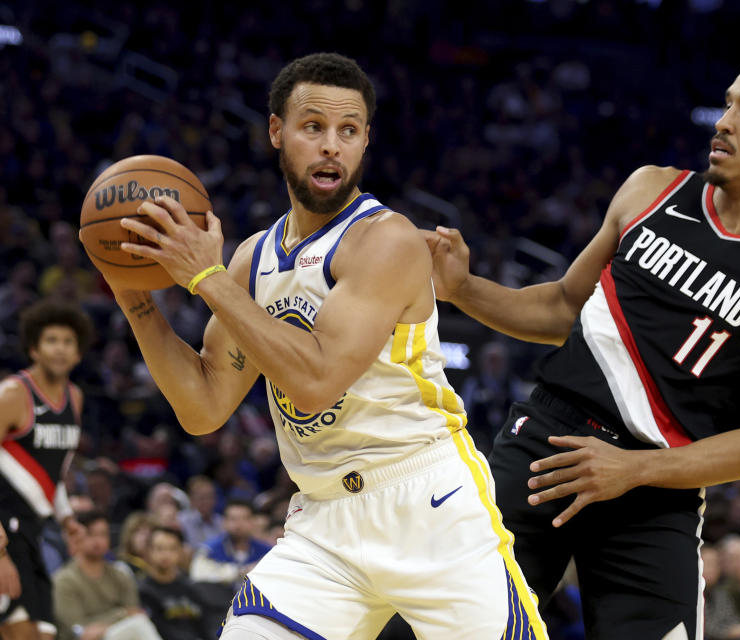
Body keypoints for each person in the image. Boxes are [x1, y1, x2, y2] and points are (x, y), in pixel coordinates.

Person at [106, 52, 547, 639]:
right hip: (323, 521)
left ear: (366, 141)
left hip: (429, 506)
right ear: (276, 132)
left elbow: (314, 384)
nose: (331, 146)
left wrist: (205, 280)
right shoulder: (251, 259)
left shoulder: (386, 239)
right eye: (313, 127)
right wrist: (135, 298)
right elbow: (203, 406)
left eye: (349, 131)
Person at [426, 57, 740, 639]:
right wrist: (465, 290)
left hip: (656, 487)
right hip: (546, 445)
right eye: (727, 104)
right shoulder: (653, 188)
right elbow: (563, 309)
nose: (724, 122)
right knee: (440, 627)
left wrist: (635, 469)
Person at [0, 300, 92, 640]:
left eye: (68, 342)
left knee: (44, 632)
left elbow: (54, 473)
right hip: (4, 530)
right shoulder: (12, 393)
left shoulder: (75, 398)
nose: (60, 349)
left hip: (31, 533)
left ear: (78, 353)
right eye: (51, 340)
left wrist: (67, 519)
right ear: (34, 349)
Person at [51, 510, 162, 640]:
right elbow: (79, 631)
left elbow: (134, 614)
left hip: (121, 635)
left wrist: (108, 622)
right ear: (77, 537)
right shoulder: (64, 580)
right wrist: (122, 614)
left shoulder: (121, 574)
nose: (98, 540)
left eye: (103, 534)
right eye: (91, 534)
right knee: (139, 626)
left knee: (139, 624)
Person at [138, 526, 213, 640]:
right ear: (148, 551)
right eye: (159, 548)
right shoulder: (142, 591)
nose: (166, 554)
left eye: (172, 549)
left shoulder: (191, 588)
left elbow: (207, 626)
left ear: (180, 552)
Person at [189, 498, 270, 589]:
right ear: (224, 522)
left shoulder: (267, 551)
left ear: (253, 522)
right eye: (233, 519)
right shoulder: (209, 550)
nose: (238, 524)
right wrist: (238, 572)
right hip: (219, 600)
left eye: (244, 519)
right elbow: (198, 575)